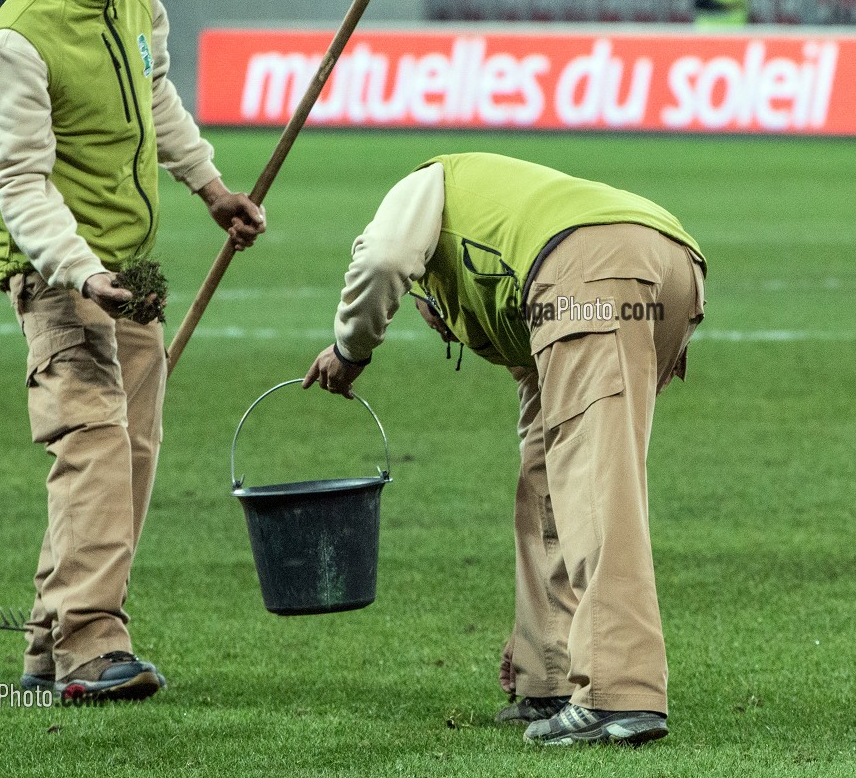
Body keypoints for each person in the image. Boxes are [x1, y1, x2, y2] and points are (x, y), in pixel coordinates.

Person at [0, 0, 265, 700]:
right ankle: (94, 647)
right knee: (93, 447)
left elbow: (157, 95)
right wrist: (80, 270)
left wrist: (211, 188)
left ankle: (43, 645)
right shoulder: (13, 41)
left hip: (132, 269)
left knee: (129, 454)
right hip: (59, 273)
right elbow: (19, 181)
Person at [302, 152, 706, 746]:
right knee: (550, 473)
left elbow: (383, 258)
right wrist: (533, 643)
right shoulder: (506, 274)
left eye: (427, 310)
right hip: (667, 264)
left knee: (596, 477)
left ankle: (621, 693)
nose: (436, 325)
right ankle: (549, 671)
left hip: (589, 270)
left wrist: (349, 349)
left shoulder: (427, 183)